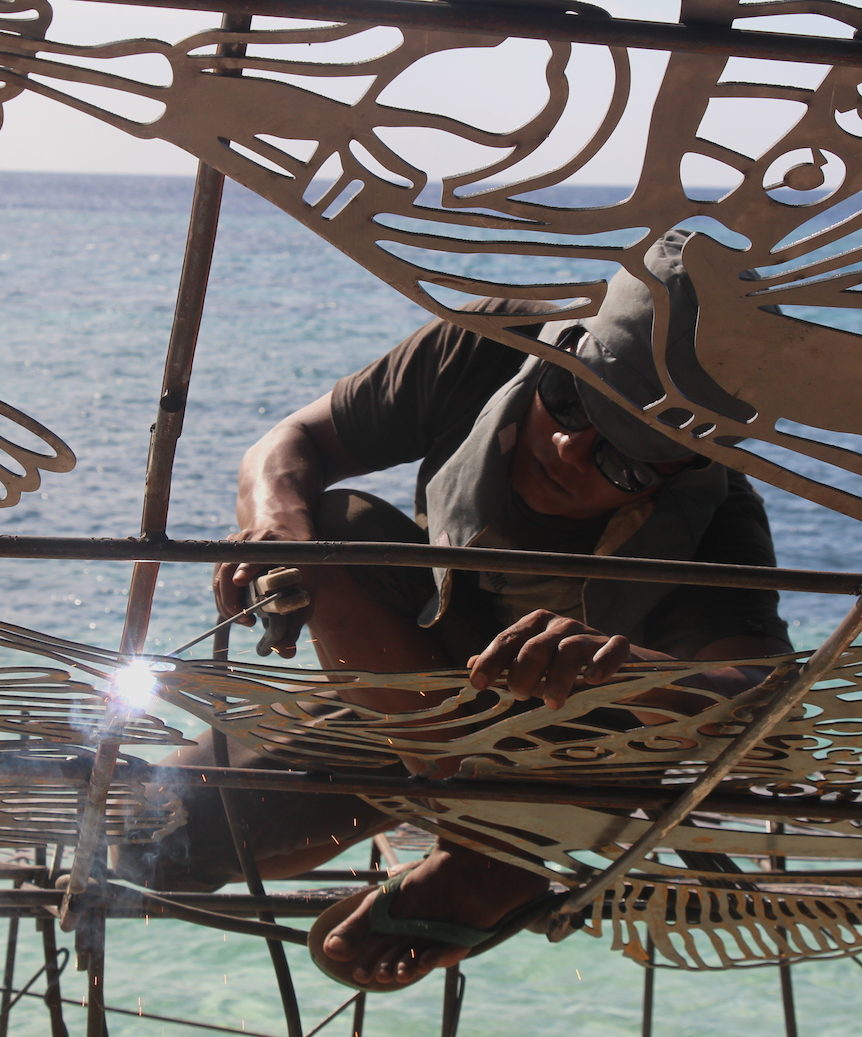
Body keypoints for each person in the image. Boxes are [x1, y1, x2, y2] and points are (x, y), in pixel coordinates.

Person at [118, 231, 792, 990]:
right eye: (569, 398)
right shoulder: (486, 345)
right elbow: (293, 441)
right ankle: (471, 828)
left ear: (679, 470)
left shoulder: (716, 516)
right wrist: (277, 523)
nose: (569, 448)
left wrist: (625, 671)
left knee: (653, 718)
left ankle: (494, 840)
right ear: (561, 349)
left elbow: (754, 688)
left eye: (620, 456)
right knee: (155, 838)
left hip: (556, 749)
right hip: (409, 693)